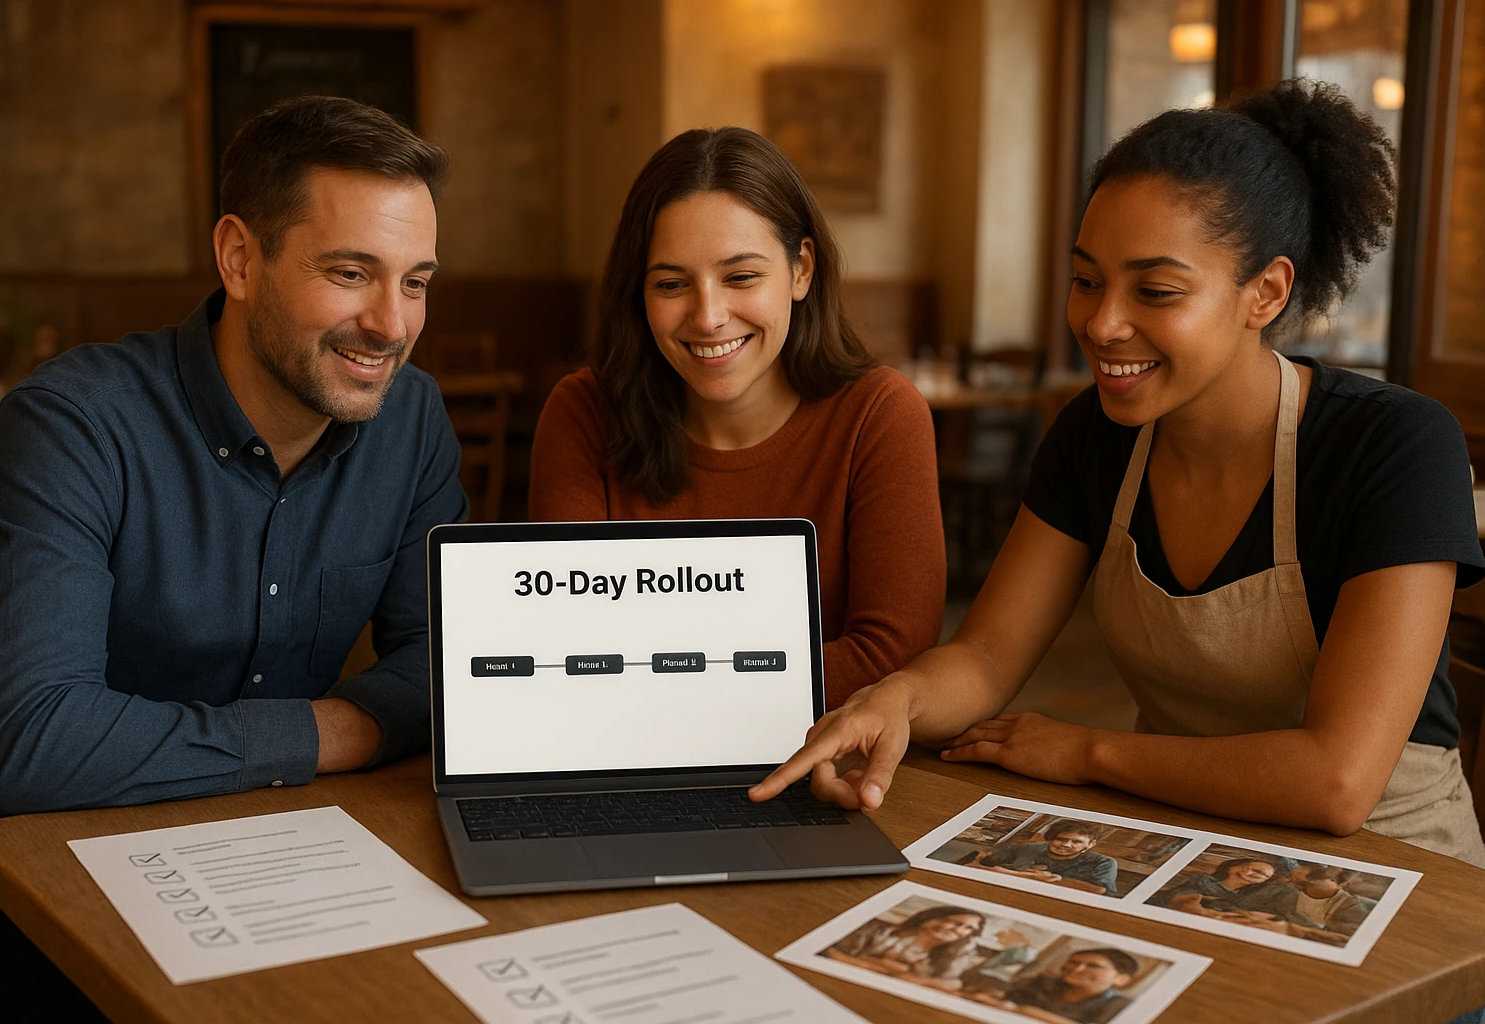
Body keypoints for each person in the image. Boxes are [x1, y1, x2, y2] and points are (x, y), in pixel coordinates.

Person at [751, 78, 1485, 867]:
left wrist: (1085, 752)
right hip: (1180, 839)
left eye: (1156, 291)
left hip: (1397, 866)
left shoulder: (1395, 446)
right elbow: (988, 657)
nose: (1101, 324)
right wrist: (896, 698)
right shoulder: (1096, 435)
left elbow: (1335, 781)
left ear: (1265, 293)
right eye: (1086, 280)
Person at [0, 96, 462, 1021]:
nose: (392, 324)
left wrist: (340, 728)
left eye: (416, 282)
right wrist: (333, 731)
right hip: (48, 894)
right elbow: (33, 742)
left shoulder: (413, 418)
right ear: (239, 258)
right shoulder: (71, 426)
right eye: (351, 272)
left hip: (289, 870)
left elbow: (450, 662)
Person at [528, 127, 944, 708]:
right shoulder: (583, 412)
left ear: (800, 270)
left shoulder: (879, 415)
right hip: (635, 750)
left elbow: (891, 659)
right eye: (671, 284)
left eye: (741, 277)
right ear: (638, 293)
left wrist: (666, 676)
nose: (708, 316)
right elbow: (572, 650)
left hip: (820, 753)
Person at [825, 905, 988, 990]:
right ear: (929, 918)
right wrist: (896, 972)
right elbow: (834, 953)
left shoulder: (960, 952)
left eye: (969, 928)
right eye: (954, 922)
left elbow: (953, 984)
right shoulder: (878, 932)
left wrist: (875, 964)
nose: (958, 930)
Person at [973, 948, 1137, 1024]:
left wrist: (1024, 1011)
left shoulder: (1122, 1006)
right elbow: (1005, 998)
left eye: (1093, 966)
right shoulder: (1044, 982)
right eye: (1074, 963)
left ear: (1121, 979)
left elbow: (1015, 1007)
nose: (1077, 969)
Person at [970, 818, 1119, 896]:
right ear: (1050, 838)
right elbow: (984, 862)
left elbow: (1098, 891)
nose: (1066, 845)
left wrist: (1035, 879)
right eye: (1060, 839)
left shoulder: (1103, 863)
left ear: (1091, 844)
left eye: (1076, 842)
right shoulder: (1029, 848)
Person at [1145, 857, 1296, 931]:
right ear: (1231, 867)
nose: (1247, 871)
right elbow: (1173, 898)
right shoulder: (1201, 881)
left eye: (1259, 873)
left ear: (1265, 881)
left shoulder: (1248, 899)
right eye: (1245, 866)